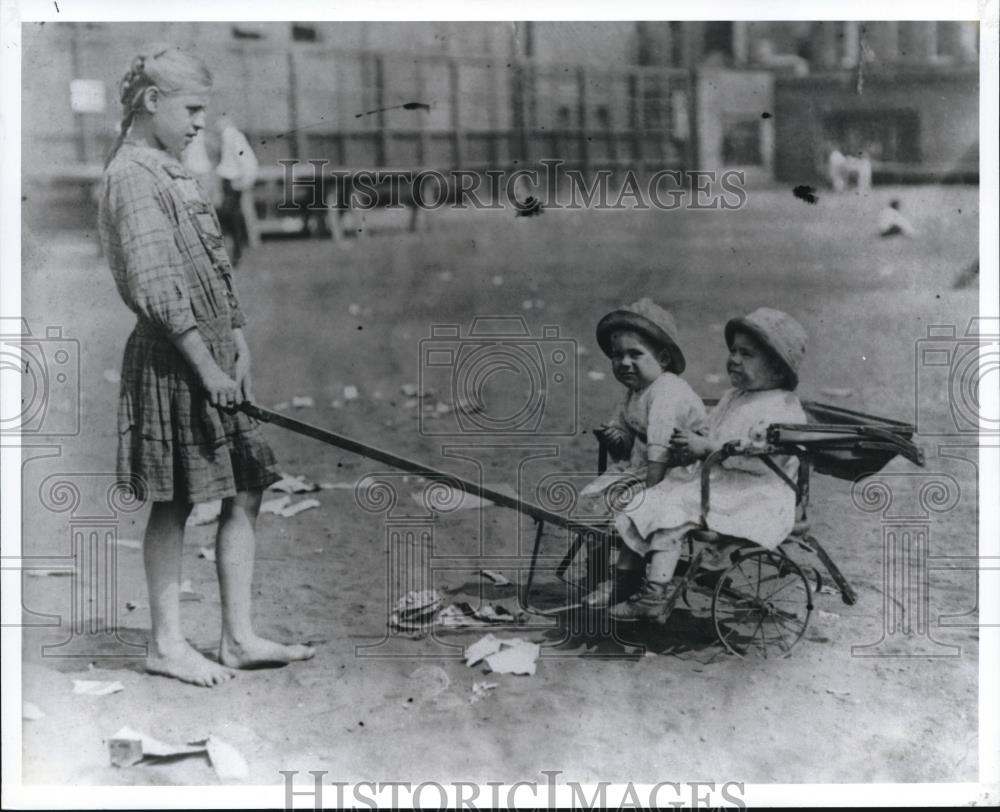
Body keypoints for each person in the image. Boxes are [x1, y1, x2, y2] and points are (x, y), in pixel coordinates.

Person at [98, 44, 315, 686]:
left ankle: (238, 637)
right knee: (172, 502)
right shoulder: (132, 174)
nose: (200, 122)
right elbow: (157, 285)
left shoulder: (167, 166)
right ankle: (166, 645)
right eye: (191, 109)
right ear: (151, 102)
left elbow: (210, 265)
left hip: (212, 349)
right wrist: (206, 364)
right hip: (176, 356)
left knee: (245, 488)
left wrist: (237, 340)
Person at [599, 307, 808, 622]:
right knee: (650, 499)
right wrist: (693, 442)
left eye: (747, 354)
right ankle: (625, 581)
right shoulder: (734, 396)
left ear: (778, 370)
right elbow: (713, 430)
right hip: (721, 484)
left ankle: (655, 594)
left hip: (756, 495)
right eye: (733, 350)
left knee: (670, 513)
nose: (734, 359)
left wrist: (708, 448)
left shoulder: (783, 409)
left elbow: (764, 459)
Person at [579, 298, 706, 605]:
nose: (624, 363)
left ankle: (625, 581)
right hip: (644, 467)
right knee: (591, 505)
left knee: (633, 508)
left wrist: (649, 493)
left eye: (635, 354)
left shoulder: (666, 391)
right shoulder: (633, 393)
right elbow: (624, 439)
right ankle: (599, 575)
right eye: (616, 355)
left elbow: (660, 447)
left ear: (662, 358)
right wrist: (614, 437)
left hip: (677, 472)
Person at [213, 114, 259, 264]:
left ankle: (236, 251)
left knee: (229, 216)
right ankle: (235, 250)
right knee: (230, 216)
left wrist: (242, 179)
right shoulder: (231, 136)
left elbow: (245, 160)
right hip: (231, 180)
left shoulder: (231, 135)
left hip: (233, 180)